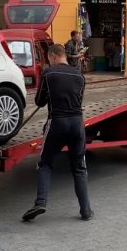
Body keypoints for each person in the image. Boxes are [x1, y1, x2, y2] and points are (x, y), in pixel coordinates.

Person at [22, 43, 93, 222]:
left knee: (45, 163)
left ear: (53, 56)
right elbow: (79, 99)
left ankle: (41, 202)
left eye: (48, 59)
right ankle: (86, 211)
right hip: (77, 123)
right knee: (79, 167)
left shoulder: (49, 73)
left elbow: (39, 101)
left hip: (57, 123)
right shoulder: (80, 76)